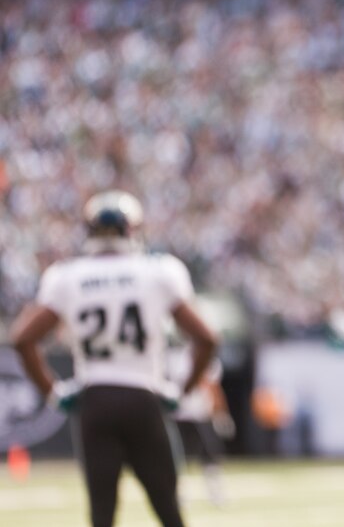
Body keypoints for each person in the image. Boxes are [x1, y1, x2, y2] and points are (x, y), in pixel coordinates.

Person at [10, 190, 218, 527]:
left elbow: (23, 339)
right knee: (168, 509)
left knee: (102, 514)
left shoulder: (67, 275)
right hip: (143, 397)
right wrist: (181, 390)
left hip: (95, 400)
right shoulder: (159, 270)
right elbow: (207, 338)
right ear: (131, 229)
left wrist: (54, 392)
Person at [167, 344, 233, 506]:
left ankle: (215, 492)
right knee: (178, 457)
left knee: (210, 455)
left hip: (201, 414)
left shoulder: (209, 361)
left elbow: (213, 388)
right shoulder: (175, 360)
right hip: (181, 415)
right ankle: (179, 494)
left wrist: (221, 413)